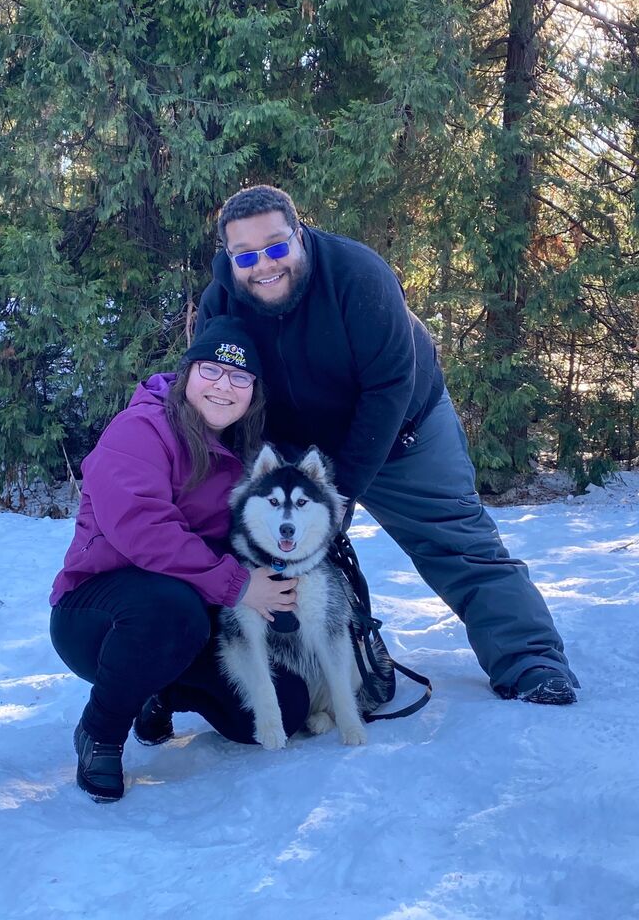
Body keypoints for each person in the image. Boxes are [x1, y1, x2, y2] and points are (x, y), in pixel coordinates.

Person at [195, 184, 579, 707]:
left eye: (278, 247)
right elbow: (218, 383)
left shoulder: (358, 275)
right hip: (292, 448)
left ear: (300, 234)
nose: (264, 265)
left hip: (401, 430)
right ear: (229, 256)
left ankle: (531, 659)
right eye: (246, 255)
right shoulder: (222, 297)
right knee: (245, 542)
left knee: (457, 539)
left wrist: (340, 495)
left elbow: (390, 385)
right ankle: (243, 681)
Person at [49, 316, 308, 802]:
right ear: (187, 374)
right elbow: (143, 529)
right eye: (211, 370)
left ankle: (157, 690)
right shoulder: (140, 430)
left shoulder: (246, 449)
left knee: (280, 711)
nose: (223, 386)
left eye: (239, 377)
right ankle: (101, 732)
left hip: (192, 613)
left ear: (254, 391)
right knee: (169, 609)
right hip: (97, 615)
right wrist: (238, 586)